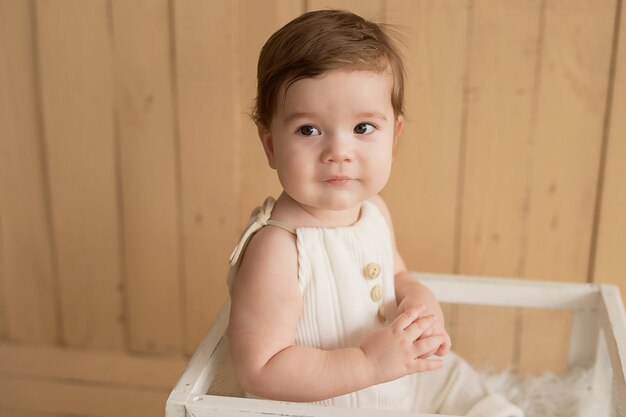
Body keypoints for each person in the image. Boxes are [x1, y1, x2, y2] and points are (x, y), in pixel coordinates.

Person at [227, 9, 524, 417]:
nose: (338, 152)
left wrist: (418, 299)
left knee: (465, 388)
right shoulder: (279, 247)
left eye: (363, 128)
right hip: (325, 408)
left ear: (394, 137)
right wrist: (366, 363)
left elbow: (396, 275)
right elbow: (260, 369)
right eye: (309, 130)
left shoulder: (374, 212)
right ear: (271, 145)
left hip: (396, 385)